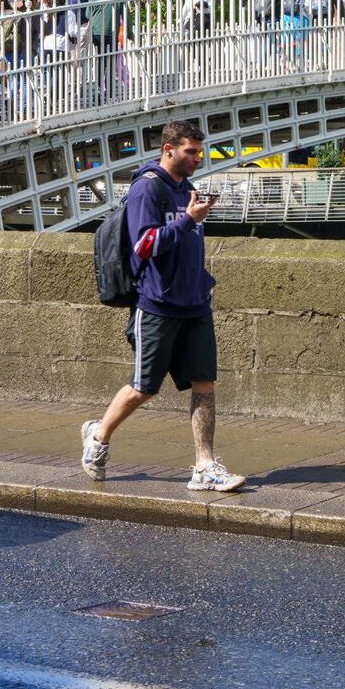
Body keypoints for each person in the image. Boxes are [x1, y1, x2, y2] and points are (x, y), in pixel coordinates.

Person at [80, 120, 246, 493]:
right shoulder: (146, 188)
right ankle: (99, 435)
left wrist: (191, 220)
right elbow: (143, 245)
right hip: (157, 304)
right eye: (190, 152)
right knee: (144, 387)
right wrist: (188, 221)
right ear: (168, 149)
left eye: (199, 152)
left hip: (195, 304)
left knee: (204, 384)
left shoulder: (186, 188)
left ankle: (205, 466)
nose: (197, 159)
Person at [87, 0, 122, 102]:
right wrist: (129, 33)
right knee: (111, 61)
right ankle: (111, 92)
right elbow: (125, 14)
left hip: (97, 32)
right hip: (112, 31)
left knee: (100, 59)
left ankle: (98, 89)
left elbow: (87, 13)